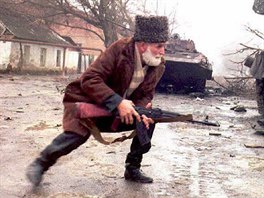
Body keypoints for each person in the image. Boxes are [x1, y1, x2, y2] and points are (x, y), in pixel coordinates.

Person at [26, 15, 169, 186]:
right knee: (76, 135)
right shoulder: (119, 50)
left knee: (149, 120)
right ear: (143, 44)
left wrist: (141, 110)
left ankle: (132, 168)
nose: (162, 52)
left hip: (119, 110)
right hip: (89, 103)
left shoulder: (157, 63)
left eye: (164, 46)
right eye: (159, 46)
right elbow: (90, 79)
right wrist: (117, 102)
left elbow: (145, 93)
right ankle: (41, 164)